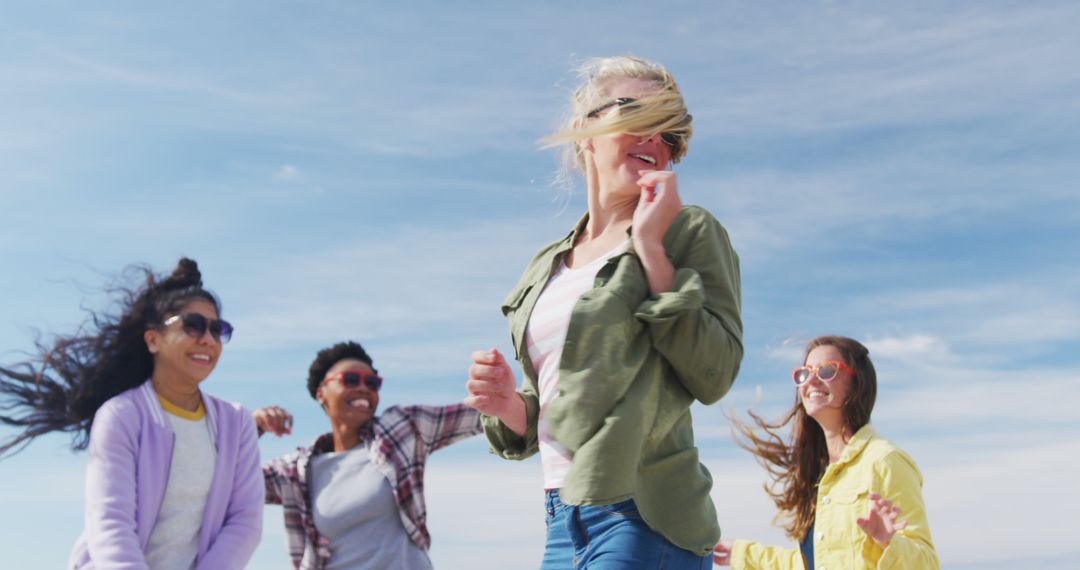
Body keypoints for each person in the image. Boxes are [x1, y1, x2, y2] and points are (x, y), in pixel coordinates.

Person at [464, 55, 743, 569]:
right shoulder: (546, 264)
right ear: (583, 132)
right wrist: (506, 403)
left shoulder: (688, 231)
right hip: (560, 519)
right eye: (636, 115)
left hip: (646, 514)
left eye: (670, 134)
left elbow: (716, 372)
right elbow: (555, 407)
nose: (655, 140)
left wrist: (652, 252)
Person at [0, 258, 263, 570]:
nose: (207, 338)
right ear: (153, 340)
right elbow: (111, 522)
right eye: (192, 325)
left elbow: (245, 522)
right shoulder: (122, 416)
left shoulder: (236, 423)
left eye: (218, 329)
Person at [713, 335, 939, 569]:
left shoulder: (884, 460)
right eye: (804, 373)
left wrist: (888, 541)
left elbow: (927, 563)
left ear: (857, 383)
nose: (811, 381)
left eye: (827, 371)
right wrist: (741, 553)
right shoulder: (818, 473)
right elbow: (811, 563)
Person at [256, 340, 483, 570]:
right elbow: (227, 479)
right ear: (321, 393)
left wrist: (505, 397)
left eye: (373, 383)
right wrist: (253, 426)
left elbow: (484, 415)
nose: (364, 388)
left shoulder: (401, 430)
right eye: (351, 380)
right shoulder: (296, 471)